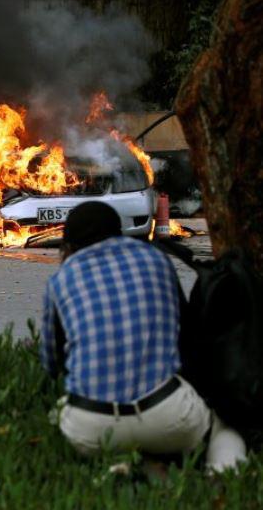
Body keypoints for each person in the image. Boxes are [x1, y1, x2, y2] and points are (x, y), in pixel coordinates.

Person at [40, 201, 246, 472]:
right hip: (167, 414)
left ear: (68, 247)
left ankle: (122, 467)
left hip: (92, 427)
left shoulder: (60, 281)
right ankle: (222, 474)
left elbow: (52, 365)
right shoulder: (156, 259)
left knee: (61, 413)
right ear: (118, 234)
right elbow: (185, 336)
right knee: (222, 427)